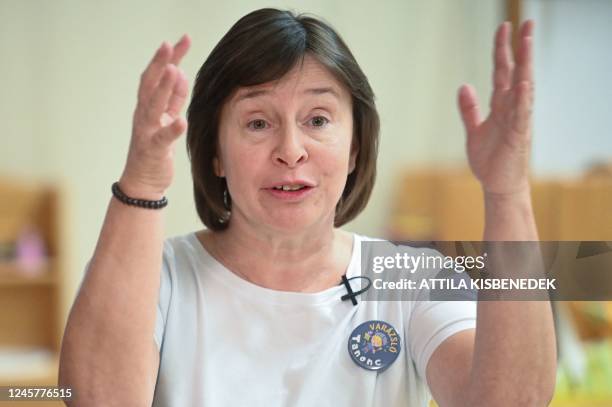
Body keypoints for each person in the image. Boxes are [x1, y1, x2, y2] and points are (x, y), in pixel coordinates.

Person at [58, 8, 556, 406]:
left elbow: (510, 399)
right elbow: (95, 397)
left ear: (355, 146)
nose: (291, 149)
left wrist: (507, 192)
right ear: (215, 153)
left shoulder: (415, 279)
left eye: (318, 119)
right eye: (257, 122)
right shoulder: (159, 276)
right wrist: (143, 177)